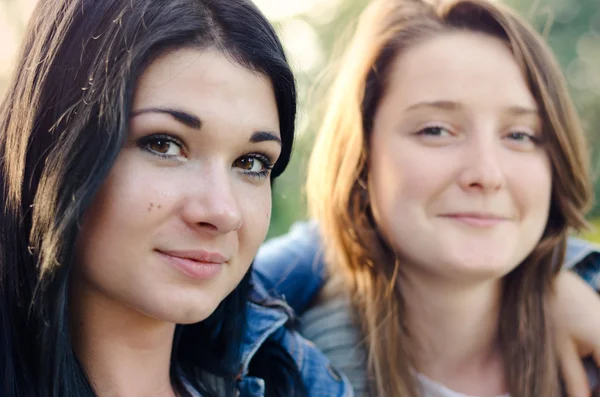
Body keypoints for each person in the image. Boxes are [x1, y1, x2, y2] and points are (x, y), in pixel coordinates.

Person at [0, 1, 353, 397]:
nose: (222, 212)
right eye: (164, 144)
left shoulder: (297, 380)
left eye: (251, 162)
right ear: (54, 147)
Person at [254, 0, 600, 395]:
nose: (486, 174)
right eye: (436, 130)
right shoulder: (272, 373)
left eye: (519, 135)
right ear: (362, 160)